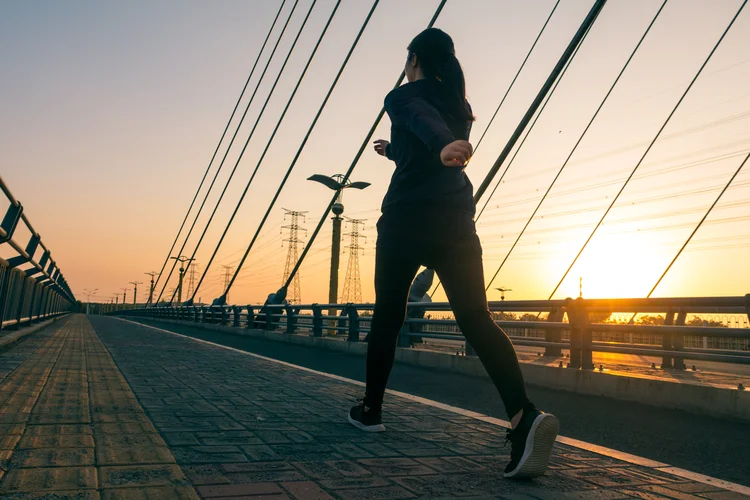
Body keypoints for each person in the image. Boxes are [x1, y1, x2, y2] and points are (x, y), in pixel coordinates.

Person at [347, 28, 559, 479]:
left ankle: (371, 410)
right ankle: (523, 417)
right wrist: (395, 150)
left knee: (389, 315)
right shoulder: (459, 104)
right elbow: (424, 143)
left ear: (413, 59)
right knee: (476, 317)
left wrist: (443, 144)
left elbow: (424, 122)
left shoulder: (403, 97)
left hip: (406, 222)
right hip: (456, 224)